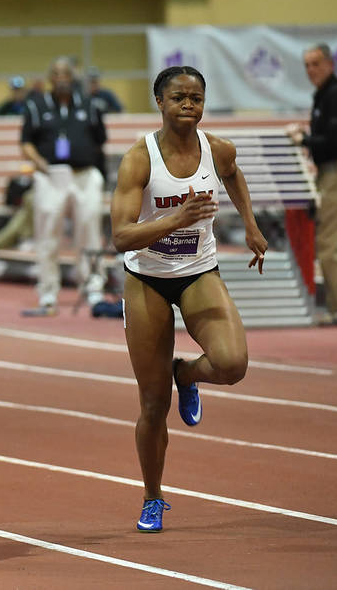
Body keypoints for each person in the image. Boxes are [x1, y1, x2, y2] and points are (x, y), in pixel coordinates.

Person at [111, 66, 267, 533]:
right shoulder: (139, 159)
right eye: (178, 97)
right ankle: (153, 496)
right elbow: (121, 236)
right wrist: (176, 219)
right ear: (159, 102)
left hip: (199, 271)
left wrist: (251, 225)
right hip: (147, 279)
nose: (188, 105)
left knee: (233, 364)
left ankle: (185, 373)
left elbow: (233, 176)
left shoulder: (218, 149)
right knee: (153, 404)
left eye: (196, 98)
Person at [19, 56, 107, 316]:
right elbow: (26, 142)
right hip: (51, 176)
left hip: (84, 175)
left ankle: (93, 287)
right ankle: (48, 291)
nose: (62, 79)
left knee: (89, 231)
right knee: (48, 234)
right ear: (50, 78)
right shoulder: (36, 106)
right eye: (56, 74)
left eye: (66, 74)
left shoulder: (90, 104)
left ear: (73, 77)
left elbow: (100, 139)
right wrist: (39, 163)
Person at [287, 43, 337, 325]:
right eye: (307, 65)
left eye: (316, 63)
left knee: (329, 242)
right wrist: (306, 136)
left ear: (330, 65)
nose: (311, 70)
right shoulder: (322, 95)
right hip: (330, 171)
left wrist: (304, 140)